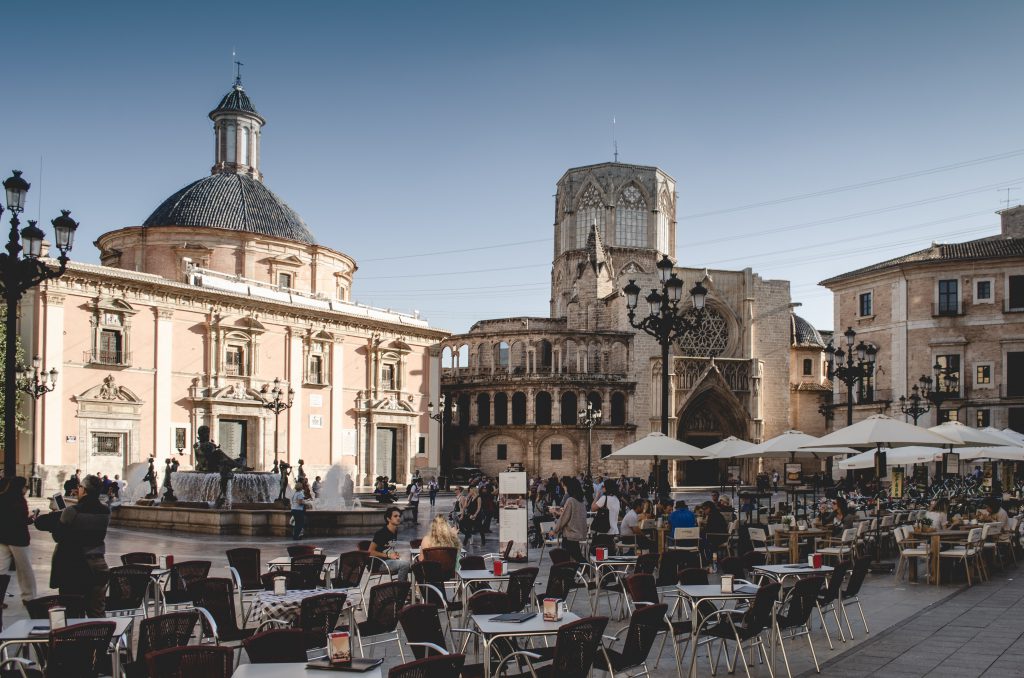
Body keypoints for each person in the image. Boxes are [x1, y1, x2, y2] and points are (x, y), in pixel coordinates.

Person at [35, 474, 110, 617]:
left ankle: (77, 639)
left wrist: (59, 516)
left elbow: (58, 536)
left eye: (80, 486)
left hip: (72, 566)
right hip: (97, 565)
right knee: (97, 611)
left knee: (73, 611)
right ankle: (100, 637)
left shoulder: (72, 511)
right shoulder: (106, 511)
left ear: (85, 490)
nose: (78, 489)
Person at [0, 477, 38, 604]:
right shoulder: (19, 501)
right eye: (26, 486)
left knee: (1, 569)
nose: (26, 489)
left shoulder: (2, 497)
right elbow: (21, 520)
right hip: (18, 539)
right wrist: (32, 519)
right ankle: (29, 597)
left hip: (3, 538)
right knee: (24, 569)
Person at [549, 477, 587, 562]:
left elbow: (564, 518)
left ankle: (591, 572)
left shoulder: (571, 500)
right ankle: (585, 571)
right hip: (577, 534)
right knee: (575, 557)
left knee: (573, 558)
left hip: (570, 535)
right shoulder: (581, 502)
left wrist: (554, 530)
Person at [369, 507, 410, 581]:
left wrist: (394, 553)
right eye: (395, 516)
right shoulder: (381, 533)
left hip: (388, 561)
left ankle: (407, 587)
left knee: (410, 565)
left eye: (399, 516)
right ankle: (401, 589)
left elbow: (387, 548)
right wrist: (388, 555)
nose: (398, 518)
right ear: (388, 519)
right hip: (379, 564)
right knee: (405, 565)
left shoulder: (394, 531)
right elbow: (370, 552)